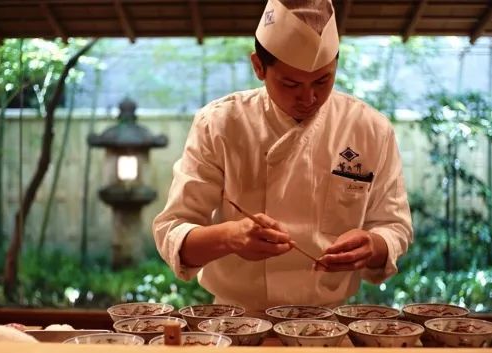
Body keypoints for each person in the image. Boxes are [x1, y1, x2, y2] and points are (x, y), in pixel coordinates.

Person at [153, 0, 413, 314]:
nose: (309, 98)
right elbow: (173, 230)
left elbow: (394, 226)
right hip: (237, 322)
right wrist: (230, 236)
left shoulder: (370, 129)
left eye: (323, 80)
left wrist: (374, 246)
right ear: (258, 67)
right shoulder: (220, 124)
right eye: (290, 83)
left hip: (329, 322)